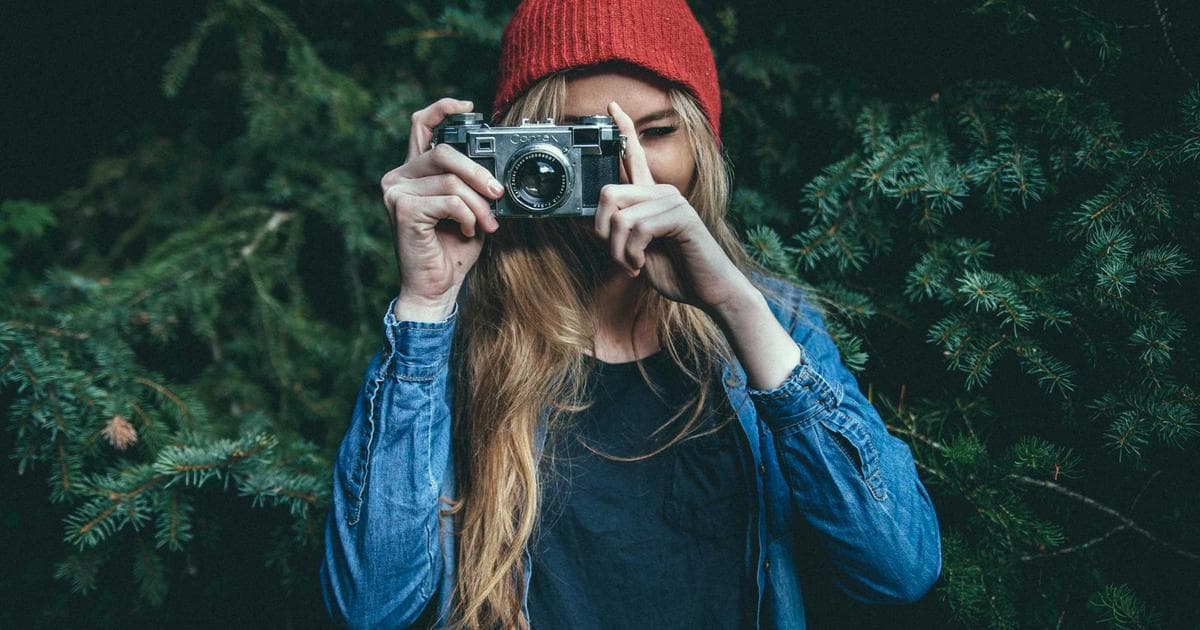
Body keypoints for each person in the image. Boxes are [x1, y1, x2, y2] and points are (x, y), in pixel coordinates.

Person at [320, 0, 943, 627]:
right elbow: (371, 607)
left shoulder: (771, 322)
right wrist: (425, 307)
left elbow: (899, 568)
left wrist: (735, 306)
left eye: (655, 132)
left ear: (701, 142)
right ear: (507, 153)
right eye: (576, 141)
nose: (625, 169)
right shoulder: (452, 339)